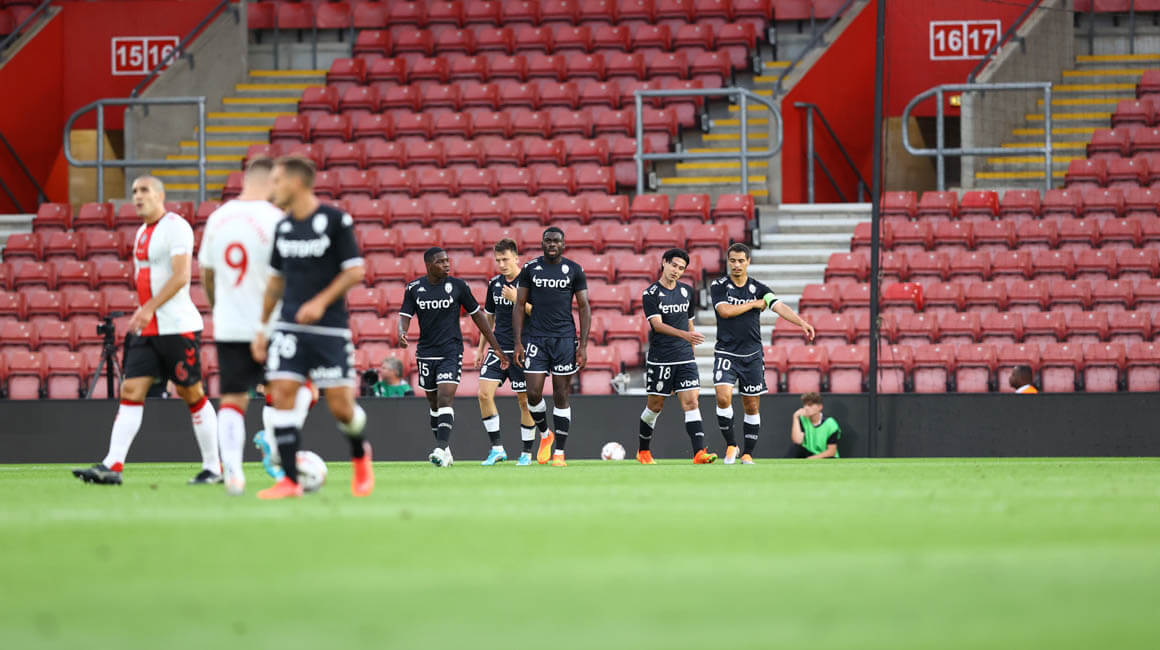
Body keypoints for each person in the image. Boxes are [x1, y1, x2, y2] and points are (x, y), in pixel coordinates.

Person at [73, 176, 220, 486]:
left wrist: (149, 307)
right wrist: (145, 312)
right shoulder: (141, 232)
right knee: (130, 390)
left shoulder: (176, 227)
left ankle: (213, 467)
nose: (137, 196)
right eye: (134, 192)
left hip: (178, 327)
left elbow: (181, 276)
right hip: (149, 329)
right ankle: (112, 464)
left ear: (160, 196)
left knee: (191, 393)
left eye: (144, 191)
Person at [250, 155, 373, 499]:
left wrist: (320, 302)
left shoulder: (335, 221)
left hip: (329, 330)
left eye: (277, 181)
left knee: (342, 408)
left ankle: (360, 455)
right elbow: (276, 282)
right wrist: (262, 328)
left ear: (297, 183)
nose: (272, 188)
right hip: (289, 328)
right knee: (281, 394)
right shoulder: (283, 228)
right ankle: (290, 481)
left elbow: (355, 271)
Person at [197, 156, 284, 495]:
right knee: (285, 392)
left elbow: (206, 272)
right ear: (272, 181)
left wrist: (219, 308)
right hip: (270, 324)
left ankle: (233, 472)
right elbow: (284, 276)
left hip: (229, 324)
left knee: (233, 398)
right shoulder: (275, 219)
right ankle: (277, 453)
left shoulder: (217, 218)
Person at [398, 247, 509, 468]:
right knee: (434, 405)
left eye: (447, 261)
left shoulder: (458, 286)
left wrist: (495, 347)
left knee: (445, 397)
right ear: (429, 265)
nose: (447, 265)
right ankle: (446, 452)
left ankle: (440, 448)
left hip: (451, 351)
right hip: (426, 353)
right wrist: (402, 331)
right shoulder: (414, 288)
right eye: (441, 262)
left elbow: (478, 316)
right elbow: (404, 315)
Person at [712, 242, 815, 465]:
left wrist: (801, 322)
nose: (736, 265)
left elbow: (778, 306)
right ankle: (731, 445)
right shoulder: (719, 285)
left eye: (741, 261)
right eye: (732, 261)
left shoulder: (760, 288)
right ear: (728, 262)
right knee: (722, 397)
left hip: (752, 355)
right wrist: (753, 304)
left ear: (748, 262)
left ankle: (748, 453)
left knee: (751, 405)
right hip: (726, 352)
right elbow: (725, 311)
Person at [512, 227, 592, 467]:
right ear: (542, 243)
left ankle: (559, 452)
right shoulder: (530, 268)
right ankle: (546, 434)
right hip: (536, 338)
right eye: (548, 240)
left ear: (563, 244)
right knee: (532, 394)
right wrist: (518, 342)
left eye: (556, 241)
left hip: (564, 340)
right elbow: (519, 304)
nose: (552, 244)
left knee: (561, 394)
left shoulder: (574, 270)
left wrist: (583, 345)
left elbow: (584, 306)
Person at [637, 248, 718, 465]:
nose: (676, 271)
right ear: (664, 262)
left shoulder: (687, 291)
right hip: (661, 358)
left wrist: (691, 352)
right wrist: (686, 336)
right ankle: (643, 450)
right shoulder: (650, 294)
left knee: (691, 402)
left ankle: (699, 453)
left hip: (684, 358)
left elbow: (689, 322)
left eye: (681, 268)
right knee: (655, 407)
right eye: (674, 265)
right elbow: (657, 325)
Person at [475, 238, 537, 466]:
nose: (501, 264)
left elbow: (541, 314)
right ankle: (497, 449)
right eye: (498, 260)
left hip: (523, 349)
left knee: (524, 401)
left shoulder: (530, 282)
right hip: (499, 349)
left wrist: (517, 299)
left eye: (505, 259)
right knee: (483, 394)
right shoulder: (494, 284)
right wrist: (480, 349)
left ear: (516, 258)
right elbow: (488, 319)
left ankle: (526, 452)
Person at [790, 392, 840, 459]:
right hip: (809, 453)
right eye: (805, 405)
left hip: (826, 457)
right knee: (795, 449)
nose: (806, 408)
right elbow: (797, 441)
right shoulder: (802, 419)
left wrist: (811, 459)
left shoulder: (830, 424)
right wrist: (795, 417)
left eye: (810, 405)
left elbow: (831, 451)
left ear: (820, 407)